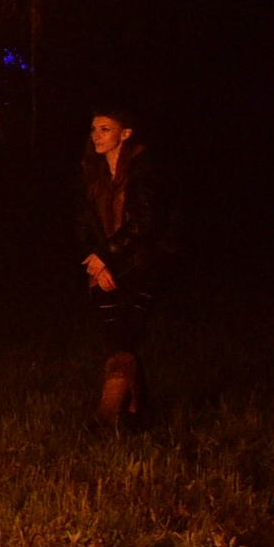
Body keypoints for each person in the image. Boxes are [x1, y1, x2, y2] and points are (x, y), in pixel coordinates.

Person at [76, 106, 167, 430]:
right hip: (103, 268)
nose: (96, 136)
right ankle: (135, 408)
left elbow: (144, 223)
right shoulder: (93, 172)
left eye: (105, 129)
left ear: (124, 134)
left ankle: (107, 414)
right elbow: (84, 222)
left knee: (125, 339)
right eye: (93, 129)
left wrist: (107, 256)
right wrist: (95, 260)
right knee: (119, 339)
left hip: (140, 265)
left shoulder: (144, 172)